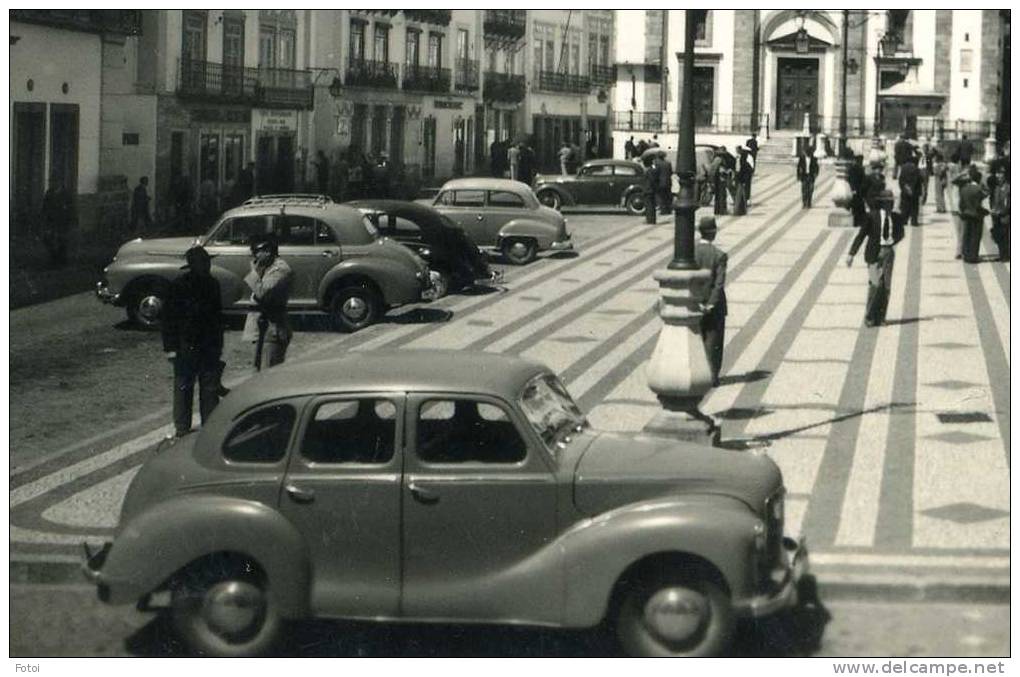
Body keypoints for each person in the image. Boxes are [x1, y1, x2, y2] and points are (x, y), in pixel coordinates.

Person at [162, 246, 225, 437]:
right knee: (183, 386)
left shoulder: (213, 284)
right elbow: (168, 320)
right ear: (192, 266)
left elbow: (217, 317)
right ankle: (182, 428)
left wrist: (218, 345)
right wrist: (170, 348)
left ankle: (210, 426)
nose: (206, 266)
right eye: (202, 263)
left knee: (209, 388)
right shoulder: (179, 286)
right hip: (186, 344)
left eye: (207, 262)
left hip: (208, 344)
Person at [846, 189, 905, 328]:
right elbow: (861, 235)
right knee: (875, 284)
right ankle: (870, 316)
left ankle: (881, 317)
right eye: (888, 203)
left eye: (892, 202)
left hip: (888, 252)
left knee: (886, 287)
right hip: (874, 253)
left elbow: (901, 233)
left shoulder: (896, 217)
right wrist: (851, 254)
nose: (891, 205)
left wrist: (891, 242)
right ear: (882, 204)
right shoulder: (872, 216)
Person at [243, 235, 294, 370]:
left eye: (257, 252)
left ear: (268, 251)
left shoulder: (280, 269)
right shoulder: (266, 267)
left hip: (273, 330)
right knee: (257, 372)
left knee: (267, 374)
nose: (255, 257)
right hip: (262, 329)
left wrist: (254, 272)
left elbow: (262, 293)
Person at [693, 216, 728, 387]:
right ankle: (712, 376)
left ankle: (697, 374)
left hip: (694, 304)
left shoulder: (691, 252)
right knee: (714, 342)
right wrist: (711, 304)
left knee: (696, 340)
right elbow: (719, 283)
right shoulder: (719, 255)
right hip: (715, 307)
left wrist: (697, 302)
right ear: (714, 233)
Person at [958, 164, 988, 264]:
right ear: (979, 179)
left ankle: (966, 255)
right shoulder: (978, 190)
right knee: (975, 236)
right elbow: (979, 203)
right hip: (976, 215)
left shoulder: (964, 189)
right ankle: (973, 256)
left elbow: (961, 204)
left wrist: (963, 211)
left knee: (967, 235)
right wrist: (986, 212)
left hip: (966, 214)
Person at [40, 181, 73, 266]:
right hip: (51, 221)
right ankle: (54, 257)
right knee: (49, 239)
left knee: (62, 240)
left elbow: (70, 208)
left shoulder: (65, 194)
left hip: (62, 221)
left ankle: (61, 260)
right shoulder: (49, 193)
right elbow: (45, 207)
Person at [990, 164, 1010, 261]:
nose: (998, 176)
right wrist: (993, 209)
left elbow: (1009, 205)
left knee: (1005, 237)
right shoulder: (997, 188)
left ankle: (1006, 255)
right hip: (997, 216)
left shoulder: (1008, 188)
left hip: (1005, 216)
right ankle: (1002, 255)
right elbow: (994, 201)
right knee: (998, 236)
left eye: (1000, 173)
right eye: (997, 173)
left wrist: (1001, 212)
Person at [898, 156, 922, 226]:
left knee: (904, 206)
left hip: (905, 190)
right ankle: (914, 221)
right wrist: (912, 189)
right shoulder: (916, 168)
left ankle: (904, 220)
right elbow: (917, 180)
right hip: (914, 191)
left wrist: (904, 188)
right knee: (914, 207)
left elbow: (901, 180)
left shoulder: (903, 168)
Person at [733, 148, 752, 216]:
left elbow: (739, 171)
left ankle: (738, 210)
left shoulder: (742, 162)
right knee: (741, 197)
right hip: (742, 181)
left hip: (741, 181)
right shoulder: (744, 162)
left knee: (739, 197)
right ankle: (740, 210)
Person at [710, 149, 728, 215]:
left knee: (719, 196)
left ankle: (718, 210)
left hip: (718, 180)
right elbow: (714, 171)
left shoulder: (717, 159)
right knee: (721, 195)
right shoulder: (719, 160)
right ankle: (721, 210)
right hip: (720, 180)